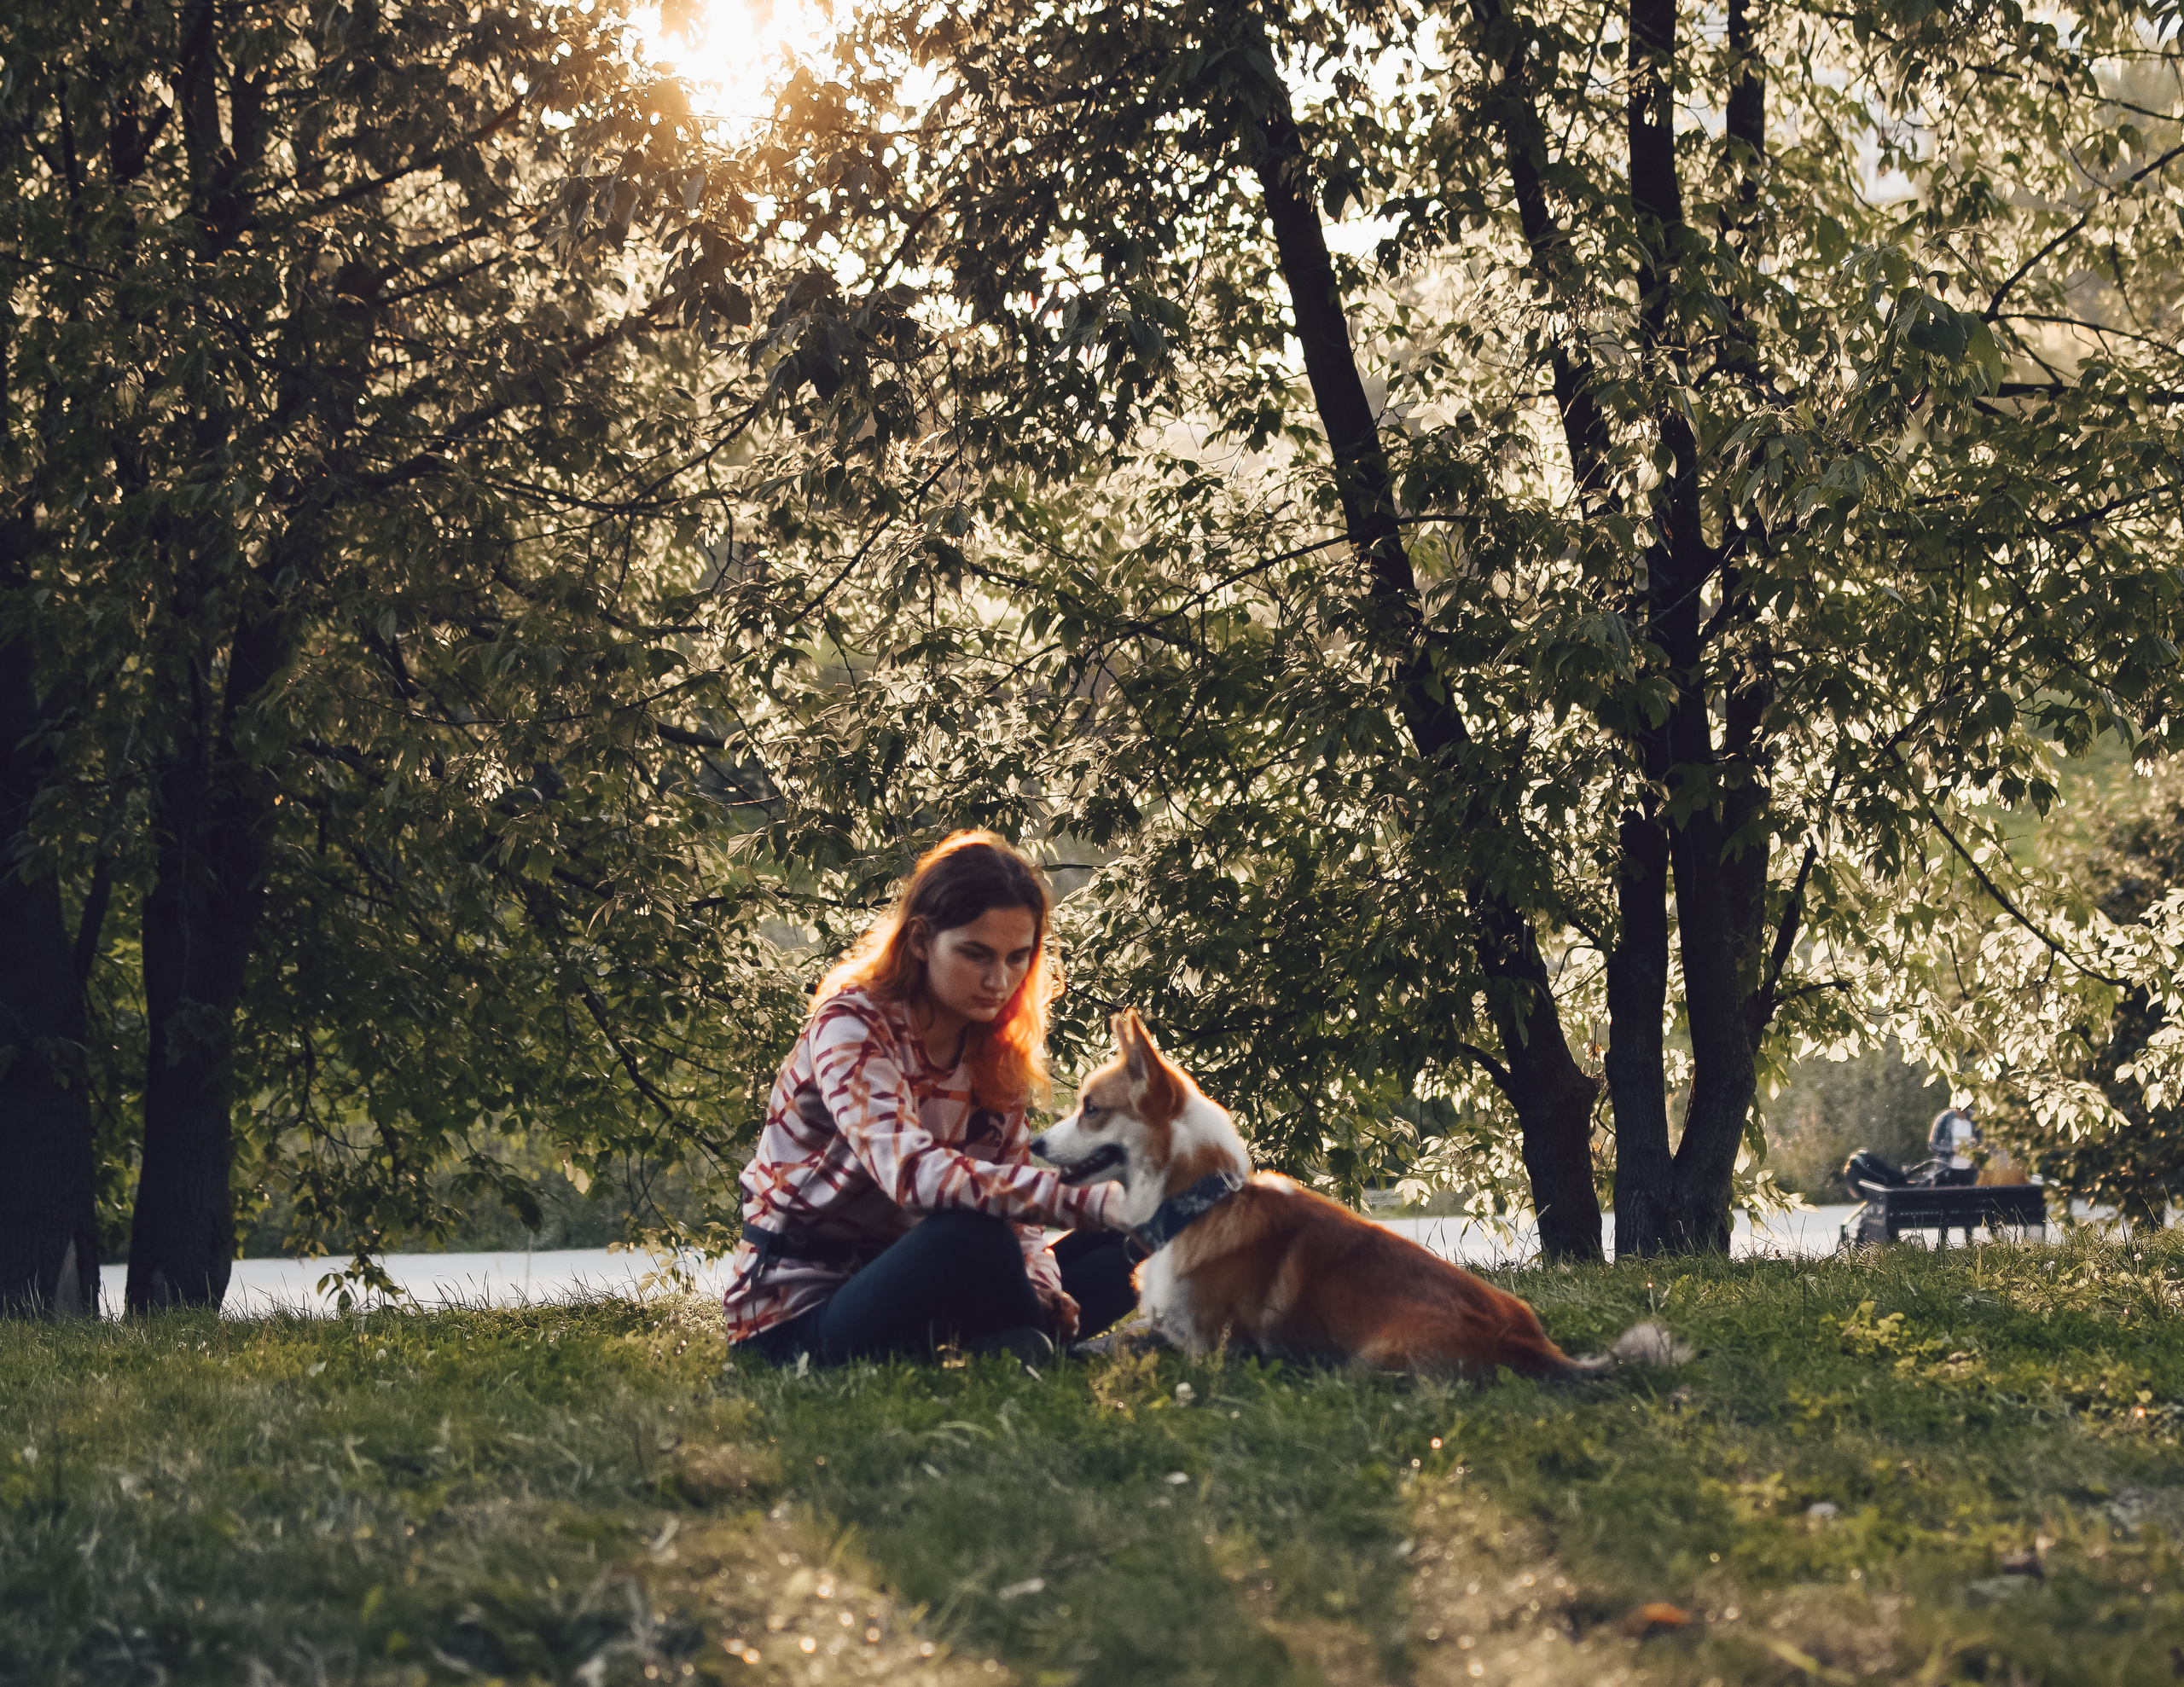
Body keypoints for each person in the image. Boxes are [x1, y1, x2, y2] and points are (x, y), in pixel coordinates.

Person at [721, 831, 1138, 1367]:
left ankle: (1029, 1340)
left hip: (925, 1289)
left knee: (1141, 1235)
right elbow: (912, 1175)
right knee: (971, 1228)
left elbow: (1018, 1218)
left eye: (1019, 958)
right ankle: (1036, 1352)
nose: (999, 980)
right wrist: (1089, 1201)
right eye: (975, 954)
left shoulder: (992, 1047)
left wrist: (1038, 1279)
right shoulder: (851, 1025)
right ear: (920, 940)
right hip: (796, 1320)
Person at [1926, 1104, 1983, 1187]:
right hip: (1947, 1171)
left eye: (1965, 1109)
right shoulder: (1944, 1119)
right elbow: (1933, 1145)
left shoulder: (1975, 1119)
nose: (1962, 1112)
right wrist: (1951, 1150)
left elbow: (1981, 1141)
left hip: (1969, 1170)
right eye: (1959, 1109)